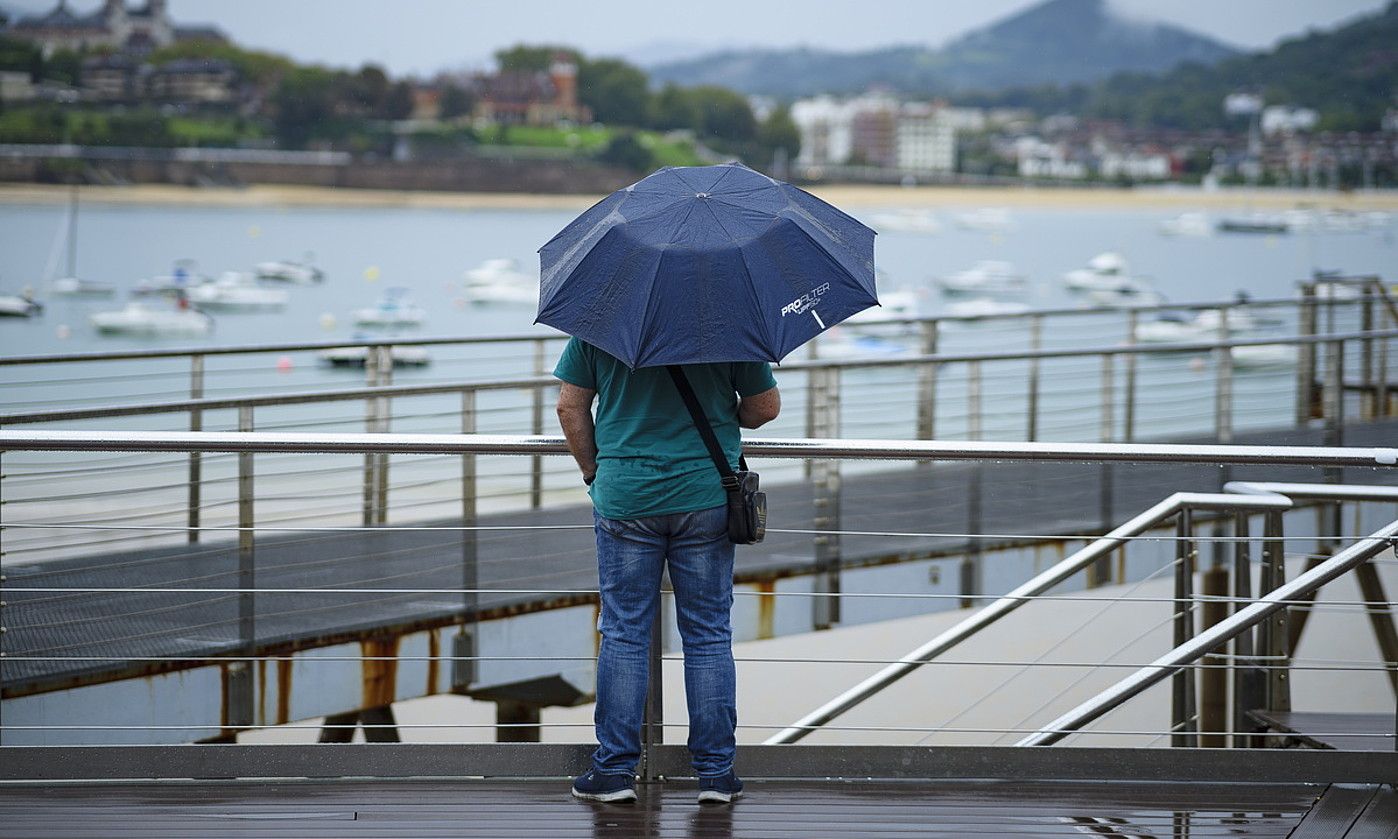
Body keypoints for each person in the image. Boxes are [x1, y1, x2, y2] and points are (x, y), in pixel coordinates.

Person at [553, 337, 780, 805]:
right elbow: (765, 408)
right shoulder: (728, 328)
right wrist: (725, 416)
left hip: (626, 495)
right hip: (706, 494)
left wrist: (594, 474)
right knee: (708, 634)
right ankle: (716, 775)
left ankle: (614, 771)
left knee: (623, 633)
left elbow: (569, 409)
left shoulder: (600, 329)